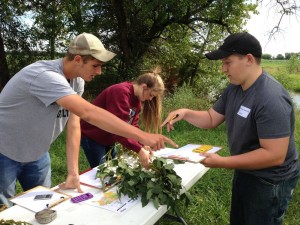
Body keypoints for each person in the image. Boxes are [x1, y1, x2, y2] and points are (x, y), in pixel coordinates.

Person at [0, 32, 177, 207]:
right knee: (5, 212)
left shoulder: (77, 82)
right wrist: (142, 136)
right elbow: (88, 113)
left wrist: (73, 172)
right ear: (77, 59)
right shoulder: (46, 76)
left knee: (42, 208)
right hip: (4, 152)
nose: (99, 72)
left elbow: (74, 125)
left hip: (37, 154)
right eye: (95, 65)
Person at [161, 32, 299, 225]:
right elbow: (211, 118)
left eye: (228, 62)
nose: (222, 69)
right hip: (245, 169)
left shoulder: (271, 98)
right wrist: (185, 112)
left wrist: (223, 162)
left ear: (249, 59)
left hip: (270, 181)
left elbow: (275, 155)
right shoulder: (234, 88)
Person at [81, 67, 165, 169]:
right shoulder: (120, 92)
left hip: (109, 137)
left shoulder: (136, 101)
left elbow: (132, 126)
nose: (150, 99)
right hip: (93, 136)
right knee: (101, 170)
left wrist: (142, 144)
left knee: (112, 169)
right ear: (144, 87)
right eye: (151, 95)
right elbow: (117, 128)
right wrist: (139, 150)